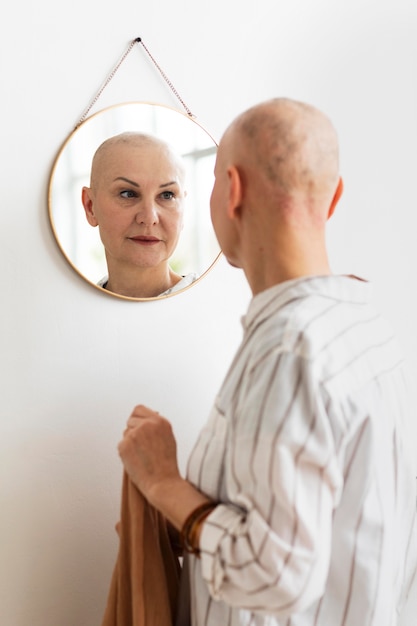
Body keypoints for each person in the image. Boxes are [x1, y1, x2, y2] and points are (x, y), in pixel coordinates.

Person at [117, 98, 417, 625]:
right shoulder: (371, 325)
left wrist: (164, 483)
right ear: (334, 198)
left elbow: (275, 574)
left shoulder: (288, 349)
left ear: (232, 190)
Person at [82, 132, 196, 298]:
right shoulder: (69, 312)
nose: (149, 218)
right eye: (128, 194)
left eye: (167, 195)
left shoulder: (219, 311)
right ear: (90, 207)